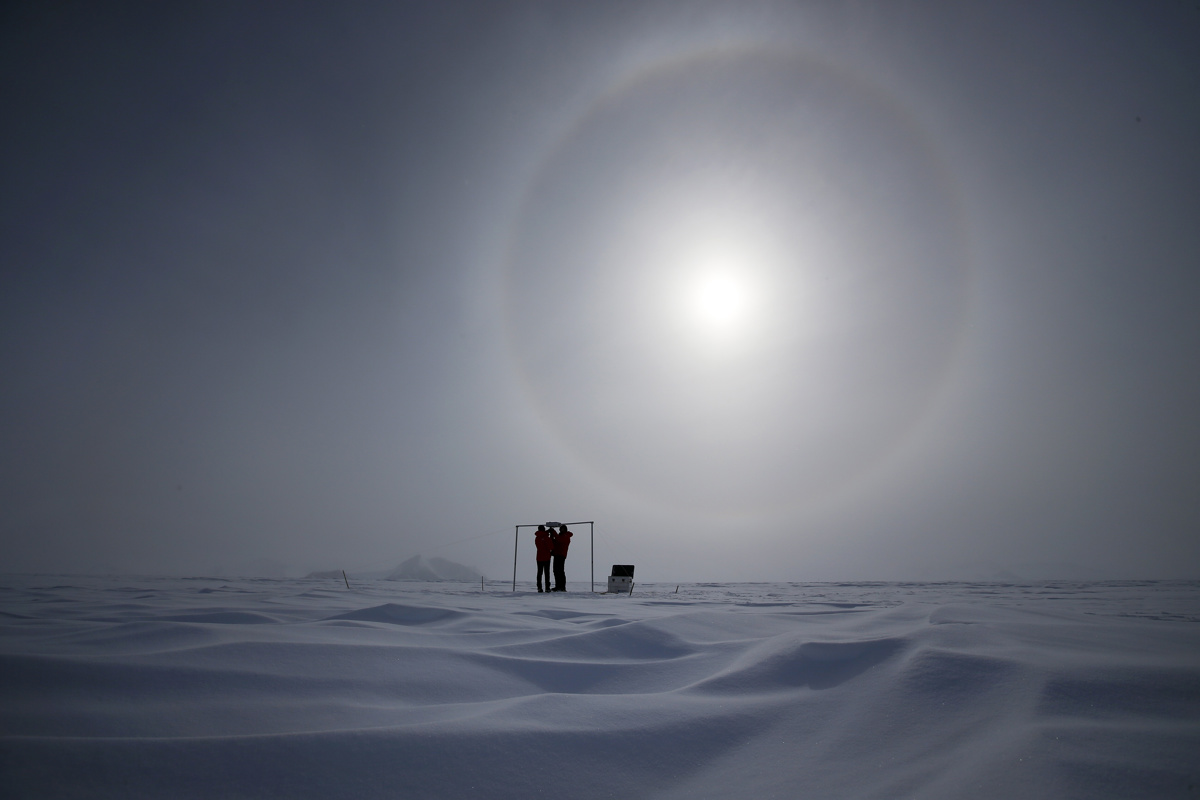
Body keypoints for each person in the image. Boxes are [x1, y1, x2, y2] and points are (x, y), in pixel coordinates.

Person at [551, 524, 572, 592]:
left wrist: (553, 532)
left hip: (561, 555)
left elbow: (559, 540)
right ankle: (558, 586)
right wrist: (552, 536)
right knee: (556, 571)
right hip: (556, 554)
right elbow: (555, 542)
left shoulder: (566, 536)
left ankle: (562, 587)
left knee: (560, 571)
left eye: (562, 529)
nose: (561, 530)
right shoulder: (560, 536)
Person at [534, 525, 554, 593]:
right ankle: (547, 588)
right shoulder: (546, 538)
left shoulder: (537, 538)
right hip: (546, 557)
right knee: (546, 573)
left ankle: (539, 587)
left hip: (539, 557)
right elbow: (551, 547)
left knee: (539, 573)